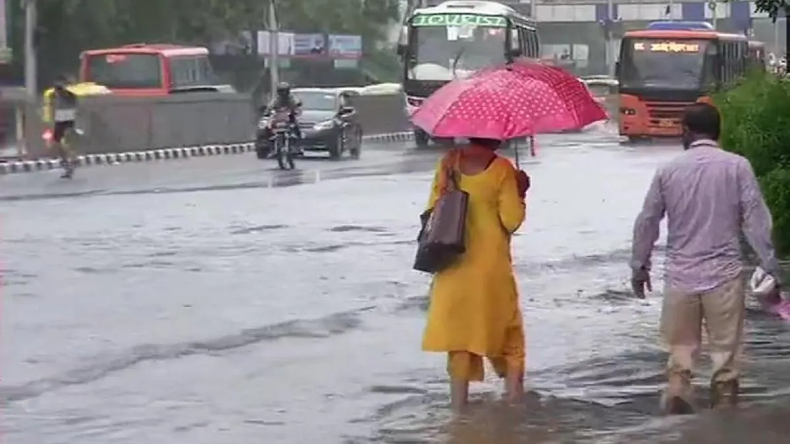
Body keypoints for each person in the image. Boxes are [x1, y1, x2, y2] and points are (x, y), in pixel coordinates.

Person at [630, 103, 783, 414]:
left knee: (680, 351)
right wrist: (770, 265)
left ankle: (678, 391)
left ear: (686, 132)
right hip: (724, 275)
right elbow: (756, 219)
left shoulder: (668, 170)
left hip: (680, 277)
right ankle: (724, 406)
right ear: (718, 132)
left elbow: (648, 220)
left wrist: (639, 266)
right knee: (725, 353)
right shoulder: (737, 166)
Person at [421, 138, 531, 411]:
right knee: (509, 337)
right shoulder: (502, 169)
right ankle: (514, 407)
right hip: (490, 270)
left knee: (459, 340)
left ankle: (458, 414)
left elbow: (431, 210)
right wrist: (521, 192)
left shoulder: (448, 164)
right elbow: (511, 220)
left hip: (451, 267)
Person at [46, 74, 79, 178]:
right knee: (59, 142)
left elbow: (73, 101)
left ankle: (72, 159)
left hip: (64, 119)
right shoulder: (56, 93)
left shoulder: (70, 93)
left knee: (61, 142)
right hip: (63, 118)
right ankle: (68, 164)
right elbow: (52, 105)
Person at [263, 82, 302, 154]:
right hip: (279, 116)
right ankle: (269, 146)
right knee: (268, 127)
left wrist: (296, 109)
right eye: (281, 91)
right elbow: (271, 105)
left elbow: (296, 103)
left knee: (296, 127)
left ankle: (298, 146)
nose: (283, 93)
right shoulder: (277, 99)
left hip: (289, 115)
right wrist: (267, 111)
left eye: (284, 91)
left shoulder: (291, 97)